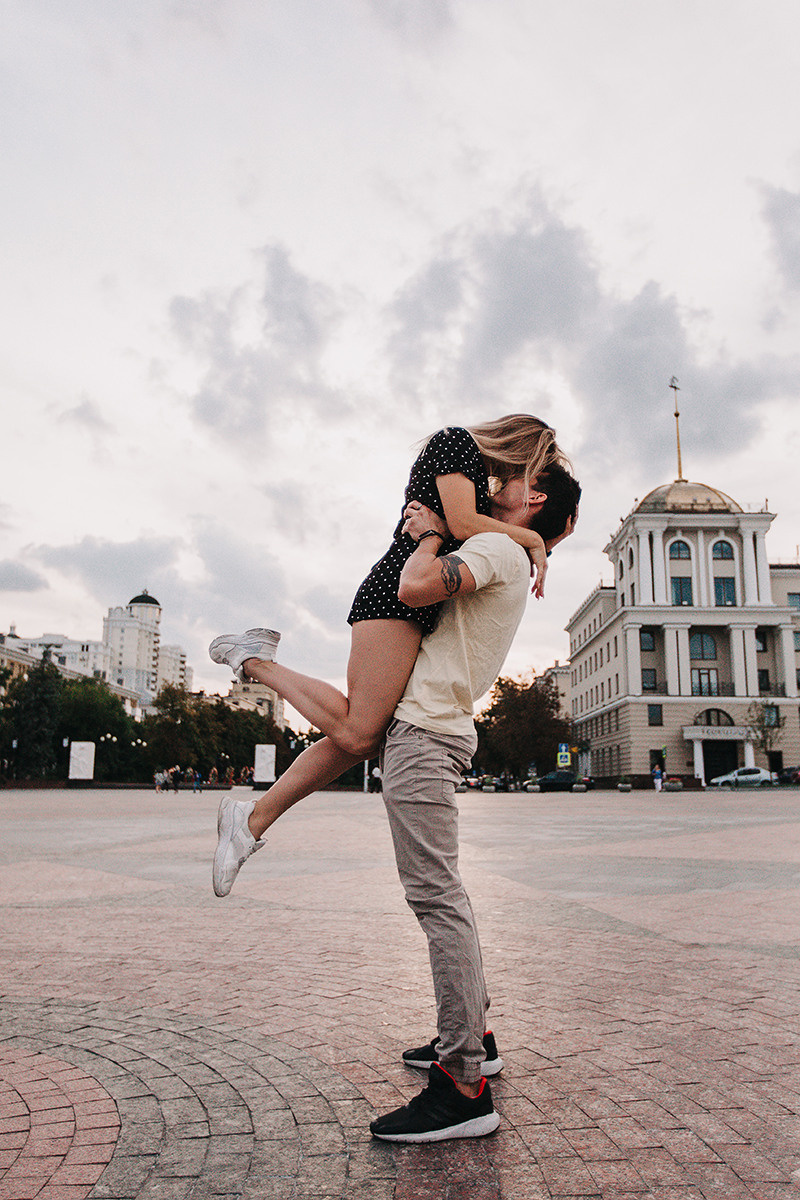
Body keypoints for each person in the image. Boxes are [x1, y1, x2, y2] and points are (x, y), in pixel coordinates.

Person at [210, 462, 580, 1141]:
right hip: (431, 728)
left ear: (535, 498)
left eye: (513, 478)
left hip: (425, 737)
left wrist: (434, 533)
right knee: (439, 884)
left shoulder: (494, 546)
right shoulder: (506, 544)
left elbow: (413, 583)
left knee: (439, 900)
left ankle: (463, 1084)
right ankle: (477, 1042)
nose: (492, 483)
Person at [209, 418, 569, 878]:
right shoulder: (455, 442)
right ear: (523, 448)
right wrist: (534, 538)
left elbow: (490, 541)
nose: (526, 478)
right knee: (360, 732)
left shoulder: (478, 479)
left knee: (363, 735)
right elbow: (461, 524)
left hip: (419, 598)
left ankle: (251, 821)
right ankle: (255, 659)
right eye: (536, 466)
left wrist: (545, 537)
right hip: (394, 592)